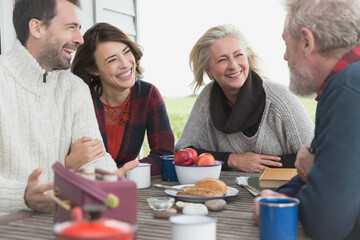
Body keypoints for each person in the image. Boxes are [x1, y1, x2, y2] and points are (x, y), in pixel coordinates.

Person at [0, 0, 137, 215]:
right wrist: (22, 195)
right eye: (70, 27)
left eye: (79, 28)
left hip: (65, 221)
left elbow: (96, 157)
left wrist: (108, 178)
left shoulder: (74, 88)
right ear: (37, 28)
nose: (80, 39)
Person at [251, 0, 360, 239]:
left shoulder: (348, 87)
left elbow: (329, 225)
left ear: (307, 41)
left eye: (286, 42)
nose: (285, 56)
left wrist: (311, 175)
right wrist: (286, 195)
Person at [175, 24, 314, 172]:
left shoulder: (281, 98)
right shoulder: (207, 98)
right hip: (225, 192)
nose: (233, 65)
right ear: (209, 70)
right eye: (222, 59)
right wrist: (232, 160)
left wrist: (259, 165)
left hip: (279, 191)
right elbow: (182, 152)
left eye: (238, 55)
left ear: (247, 58)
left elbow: (317, 156)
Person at [71, 22, 174, 176]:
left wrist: (124, 172)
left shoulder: (148, 95)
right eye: (112, 59)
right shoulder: (81, 100)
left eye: (126, 52)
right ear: (93, 69)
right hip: (86, 186)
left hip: (126, 185)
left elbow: (164, 156)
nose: (125, 64)